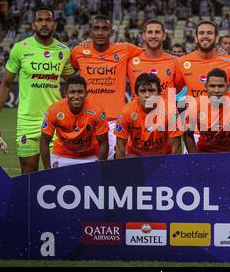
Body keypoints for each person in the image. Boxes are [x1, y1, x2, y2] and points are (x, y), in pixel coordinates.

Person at [0, 7, 75, 174]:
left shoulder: (63, 51)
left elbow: (73, 84)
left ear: (54, 25)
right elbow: (6, 84)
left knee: (57, 175)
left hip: (55, 122)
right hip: (27, 122)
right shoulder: (21, 48)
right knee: (28, 176)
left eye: (48, 20)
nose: (44, 24)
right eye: (40, 20)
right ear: (33, 25)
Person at [71, 14, 144, 159]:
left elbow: (150, 53)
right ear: (90, 32)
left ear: (111, 32)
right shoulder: (79, 51)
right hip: (86, 118)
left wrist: (175, 56)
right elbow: (67, 74)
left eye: (105, 29)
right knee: (86, 165)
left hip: (114, 120)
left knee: (112, 165)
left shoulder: (124, 49)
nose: (100, 32)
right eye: (96, 29)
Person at [40, 75, 109, 168]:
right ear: (66, 93)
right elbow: (44, 141)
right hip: (62, 155)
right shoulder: (54, 110)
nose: (76, 96)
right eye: (72, 92)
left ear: (86, 93)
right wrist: (47, 170)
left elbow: (103, 142)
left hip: (89, 156)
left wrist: (100, 169)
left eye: (80, 92)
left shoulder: (97, 111)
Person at [183, 68, 230, 153]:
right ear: (206, 87)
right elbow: (187, 135)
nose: (216, 90)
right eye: (212, 86)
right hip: (205, 153)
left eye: (220, 86)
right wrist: (194, 158)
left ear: (227, 86)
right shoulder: (195, 106)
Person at [114, 74, 183, 158]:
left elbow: (176, 146)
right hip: (134, 155)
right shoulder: (126, 112)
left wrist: (173, 170)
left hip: (163, 155)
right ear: (136, 94)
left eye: (151, 90)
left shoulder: (170, 111)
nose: (147, 95)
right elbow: (120, 147)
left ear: (159, 93)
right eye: (143, 91)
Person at [174, 21, 230, 99]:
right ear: (196, 38)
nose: (205, 36)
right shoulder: (182, 62)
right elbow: (173, 90)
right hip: (193, 110)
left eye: (209, 33)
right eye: (201, 33)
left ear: (216, 38)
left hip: (221, 110)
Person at [127, 19, 177, 98]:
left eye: (157, 32)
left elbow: (181, 89)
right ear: (144, 36)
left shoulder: (175, 61)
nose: (153, 36)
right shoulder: (131, 62)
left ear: (164, 36)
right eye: (150, 32)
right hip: (137, 110)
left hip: (167, 110)